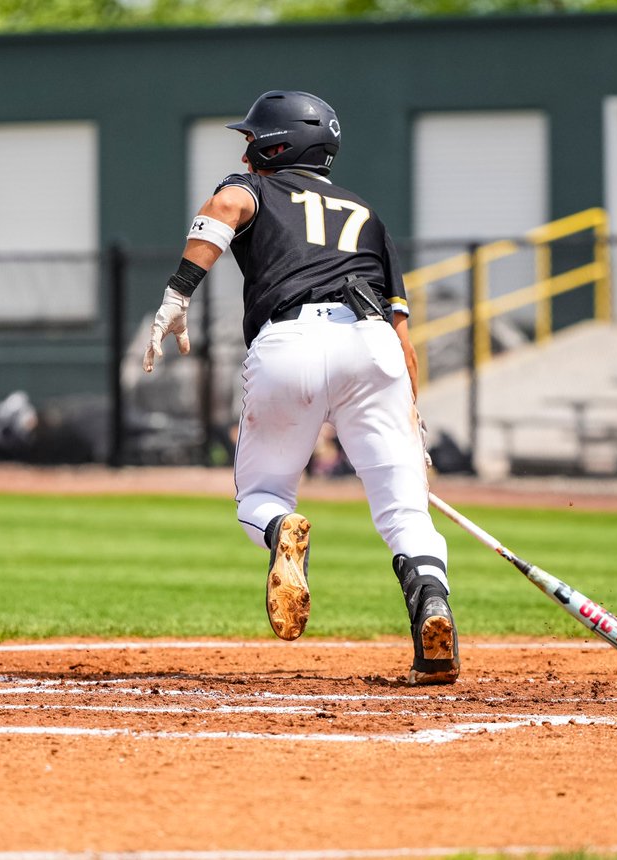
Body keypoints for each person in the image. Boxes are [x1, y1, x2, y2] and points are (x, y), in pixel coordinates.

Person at [141, 90, 459, 685]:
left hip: (291, 342)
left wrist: (178, 292)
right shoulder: (366, 214)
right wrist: (411, 422)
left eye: (252, 139)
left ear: (276, 144)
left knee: (260, 497)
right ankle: (432, 605)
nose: (245, 152)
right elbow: (404, 340)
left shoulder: (255, 188)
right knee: (405, 512)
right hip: (375, 350)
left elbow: (226, 204)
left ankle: (280, 530)